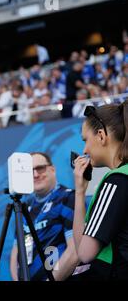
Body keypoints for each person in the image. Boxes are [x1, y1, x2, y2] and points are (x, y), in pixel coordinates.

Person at [72, 101, 128, 280]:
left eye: (85, 140)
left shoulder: (116, 182)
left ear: (101, 136)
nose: (84, 149)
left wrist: (79, 193)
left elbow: (84, 252)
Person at [10, 152, 79, 281]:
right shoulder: (24, 206)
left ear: (52, 169)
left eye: (40, 168)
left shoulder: (68, 198)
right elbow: (15, 253)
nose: (35, 174)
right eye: (30, 171)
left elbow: (75, 251)